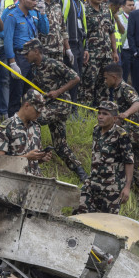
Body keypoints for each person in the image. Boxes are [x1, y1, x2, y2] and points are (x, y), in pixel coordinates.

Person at [21, 39, 86, 181]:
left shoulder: (53, 63)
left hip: (61, 105)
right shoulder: (34, 68)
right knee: (60, 146)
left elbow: (75, 78)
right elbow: (38, 86)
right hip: (49, 106)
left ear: (36, 51)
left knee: (34, 119)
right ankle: (82, 175)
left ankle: (34, 155)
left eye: (27, 53)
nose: (25, 56)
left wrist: (58, 92)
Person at [103, 63, 139, 205]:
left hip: (137, 133)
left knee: (120, 158)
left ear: (114, 77)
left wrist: (126, 114)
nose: (105, 81)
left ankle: (117, 191)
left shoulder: (126, 88)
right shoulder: (117, 91)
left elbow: (137, 104)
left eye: (106, 78)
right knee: (132, 167)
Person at [76, 100, 134, 215]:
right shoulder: (96, 130)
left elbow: (129, 161)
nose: (100, 117)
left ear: (114, 118)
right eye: (99, 113)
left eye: (105, 114)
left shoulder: (121, 135)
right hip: (93, 183)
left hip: (111, 188)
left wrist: (127, 187)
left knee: (106, 222)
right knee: (80, 213)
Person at [2, 0, 49, 115]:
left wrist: (43, 14)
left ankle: (27, 119)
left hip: (34, 58)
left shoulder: (34, 14)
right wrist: (12, 62)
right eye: (33, 0)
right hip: (20, 57)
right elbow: (7, 41)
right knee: (17, 92)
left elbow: (45, 30)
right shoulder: (12, 16)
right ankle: (13, 121)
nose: (35, 3)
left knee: (30, 92)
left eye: (36, 0)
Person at [0, 89, 50, 177]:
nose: (39, 114)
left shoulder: (36, 127)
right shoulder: (7, 127)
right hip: (16, 180)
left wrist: (42, 158)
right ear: (26, 106)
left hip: (35, 180)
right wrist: (27, 157)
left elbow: (34, 160)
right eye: (37, 111)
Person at [79, 0, 118, 107]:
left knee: (105, 85)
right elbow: (82, 33)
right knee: (89, 85)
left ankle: (103, 111)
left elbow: (111, 32)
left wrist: (115, 51)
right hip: (92, 55)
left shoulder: (106, 10)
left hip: (106, 55)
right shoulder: (84, 9)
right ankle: (86, 113)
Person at [37, 0, 70, 64]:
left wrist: (67, 48)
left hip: (58, 50)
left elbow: (63, 28)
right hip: (43, 51)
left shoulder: (57, 5)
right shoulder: (36, 5)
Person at [64, 0, 88, 85]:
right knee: (72, 78)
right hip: (69, 45)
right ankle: (70, 102)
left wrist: (85, 48)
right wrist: (66, 46)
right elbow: (61, 24)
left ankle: (74, 101)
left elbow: (84, 28)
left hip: (79, 45)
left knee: (78, 78)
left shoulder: (81, 3)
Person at [116, 0, 135, 83]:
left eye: (133, 5)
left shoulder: (136, 17)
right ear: (123, 7)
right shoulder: (119, 18)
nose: (132, 7)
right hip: (124, 49)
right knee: (125, 73)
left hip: (135, 50)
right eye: (129, 5)